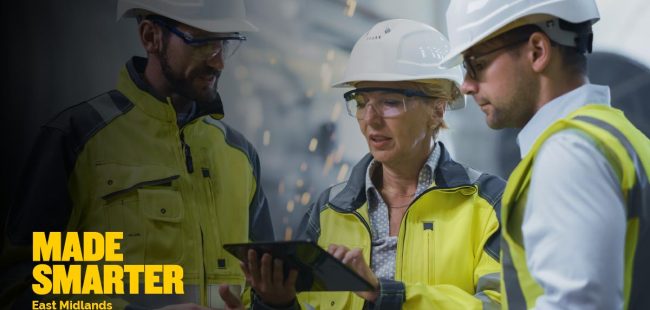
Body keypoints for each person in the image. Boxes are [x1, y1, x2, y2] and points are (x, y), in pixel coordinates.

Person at [1, 0, 274, 309]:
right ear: (150, 37)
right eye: (203, 42)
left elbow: (267, 291)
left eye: (225, 43)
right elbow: (20, 289)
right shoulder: (78, 139)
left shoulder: (240, 157)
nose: (219, 62)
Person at [241, 19, 505, 310]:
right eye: (362, 102)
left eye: (390, 102)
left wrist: (387, 294)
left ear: (437, 109)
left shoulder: (488, 205)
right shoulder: (330, 210)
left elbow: (500, 305)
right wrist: (277, 304)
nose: (370, 119)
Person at [440, 0, 650, 309]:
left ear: (537, 51)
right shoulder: (617, 135)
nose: (467, 85)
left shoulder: (568, 155)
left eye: (477, 64)